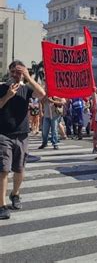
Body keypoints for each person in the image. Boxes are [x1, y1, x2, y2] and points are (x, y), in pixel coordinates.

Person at [0, 60, 45, 219]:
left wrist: (28, 77)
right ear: (9, 72)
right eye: (13, 71)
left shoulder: (26, 89)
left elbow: (42, 94)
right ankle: (2, 204)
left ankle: (15, 194)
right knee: (3, 169)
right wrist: (7, 96)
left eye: (18, 72)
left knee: (19, 168)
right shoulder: (2, 87)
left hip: (22, 134)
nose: (15, 75)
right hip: (3, 134)